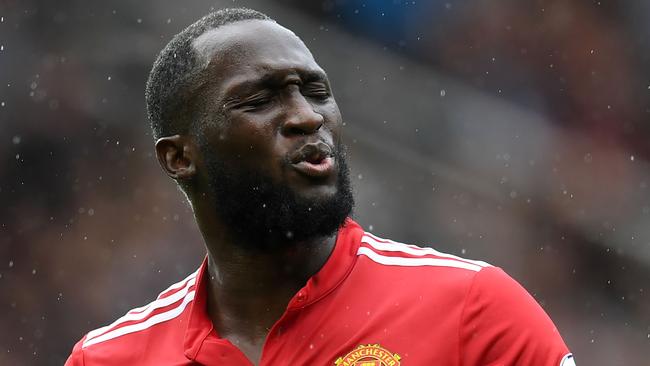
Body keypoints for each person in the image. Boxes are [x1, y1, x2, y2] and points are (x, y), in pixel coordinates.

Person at [66, 8, 575, 366]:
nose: (307, 117)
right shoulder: (111, 357)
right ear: (179, 157)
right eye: (259, 100)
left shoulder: (472, 311)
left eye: (315, 92)